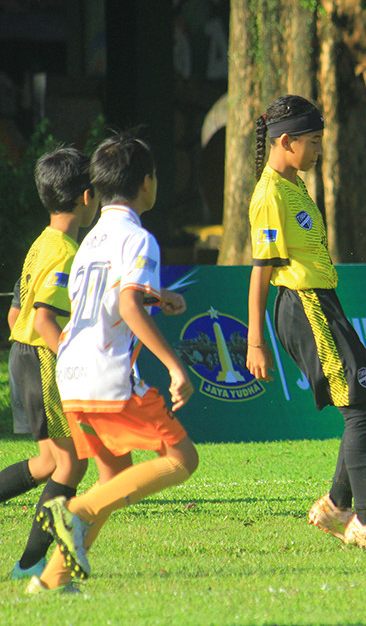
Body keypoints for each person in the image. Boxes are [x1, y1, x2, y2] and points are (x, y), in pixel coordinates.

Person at [28, 133, 198, 593]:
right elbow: (126, 305)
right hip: (107, 375)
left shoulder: (88, 242)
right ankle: (72, 513)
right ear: (146, 184)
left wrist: (159, 297)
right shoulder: (139, 237)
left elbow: (103, 299)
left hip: (71, 374)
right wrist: (175, 367)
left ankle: (52, 580)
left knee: (114, 478)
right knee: (182, 457)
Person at [246, 94, 366, 551]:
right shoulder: (269, 195)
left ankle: (338, 505)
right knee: (360, 409)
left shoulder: (293, 183)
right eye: (314, 141)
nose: (320, 148)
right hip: (304, 306)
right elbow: (261, 269)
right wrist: (254, 340)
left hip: (323, 301)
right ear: (286, 141)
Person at [1, 148, 97, 579]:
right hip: (42, 357)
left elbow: (15, 314)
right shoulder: (65, 252)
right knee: (72, 463)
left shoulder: (41, 244)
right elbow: (42, 318)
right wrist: (76, 359)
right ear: (86, 196)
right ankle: (30, 563)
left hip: (22, 356)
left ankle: (33, 558)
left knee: (46, 464)